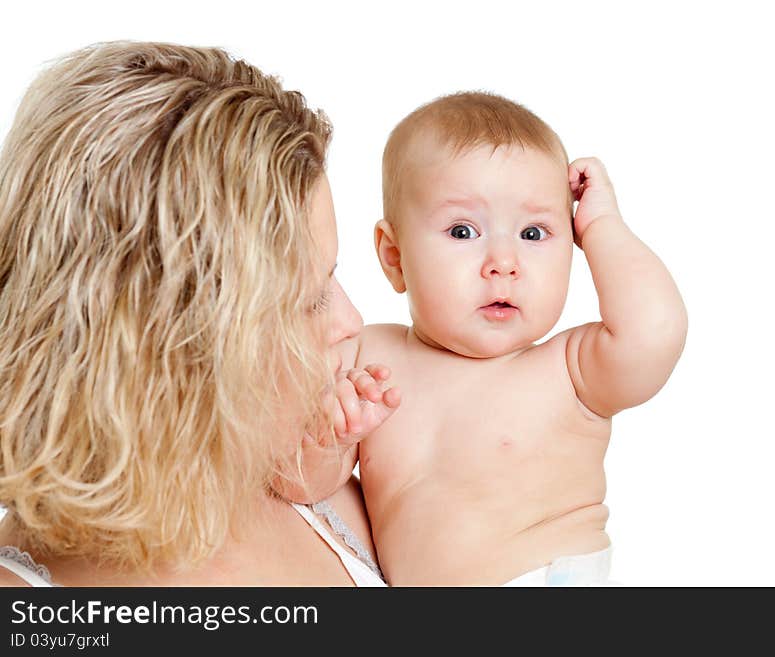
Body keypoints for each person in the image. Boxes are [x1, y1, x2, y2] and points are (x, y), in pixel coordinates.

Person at [0, 41, 398, 586]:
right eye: (309, 299)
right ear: (179, 346)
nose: (351, 320)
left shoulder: (321, 483)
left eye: (333, 275)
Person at [341, 92, 688, 585]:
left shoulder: (570, 370)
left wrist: (602, 227)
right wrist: (327, 440)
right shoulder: (365, 356)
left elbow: (655, 330)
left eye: (533, 233)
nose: (503, 262)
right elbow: (301, 481)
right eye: (463, 231)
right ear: (394, 256)